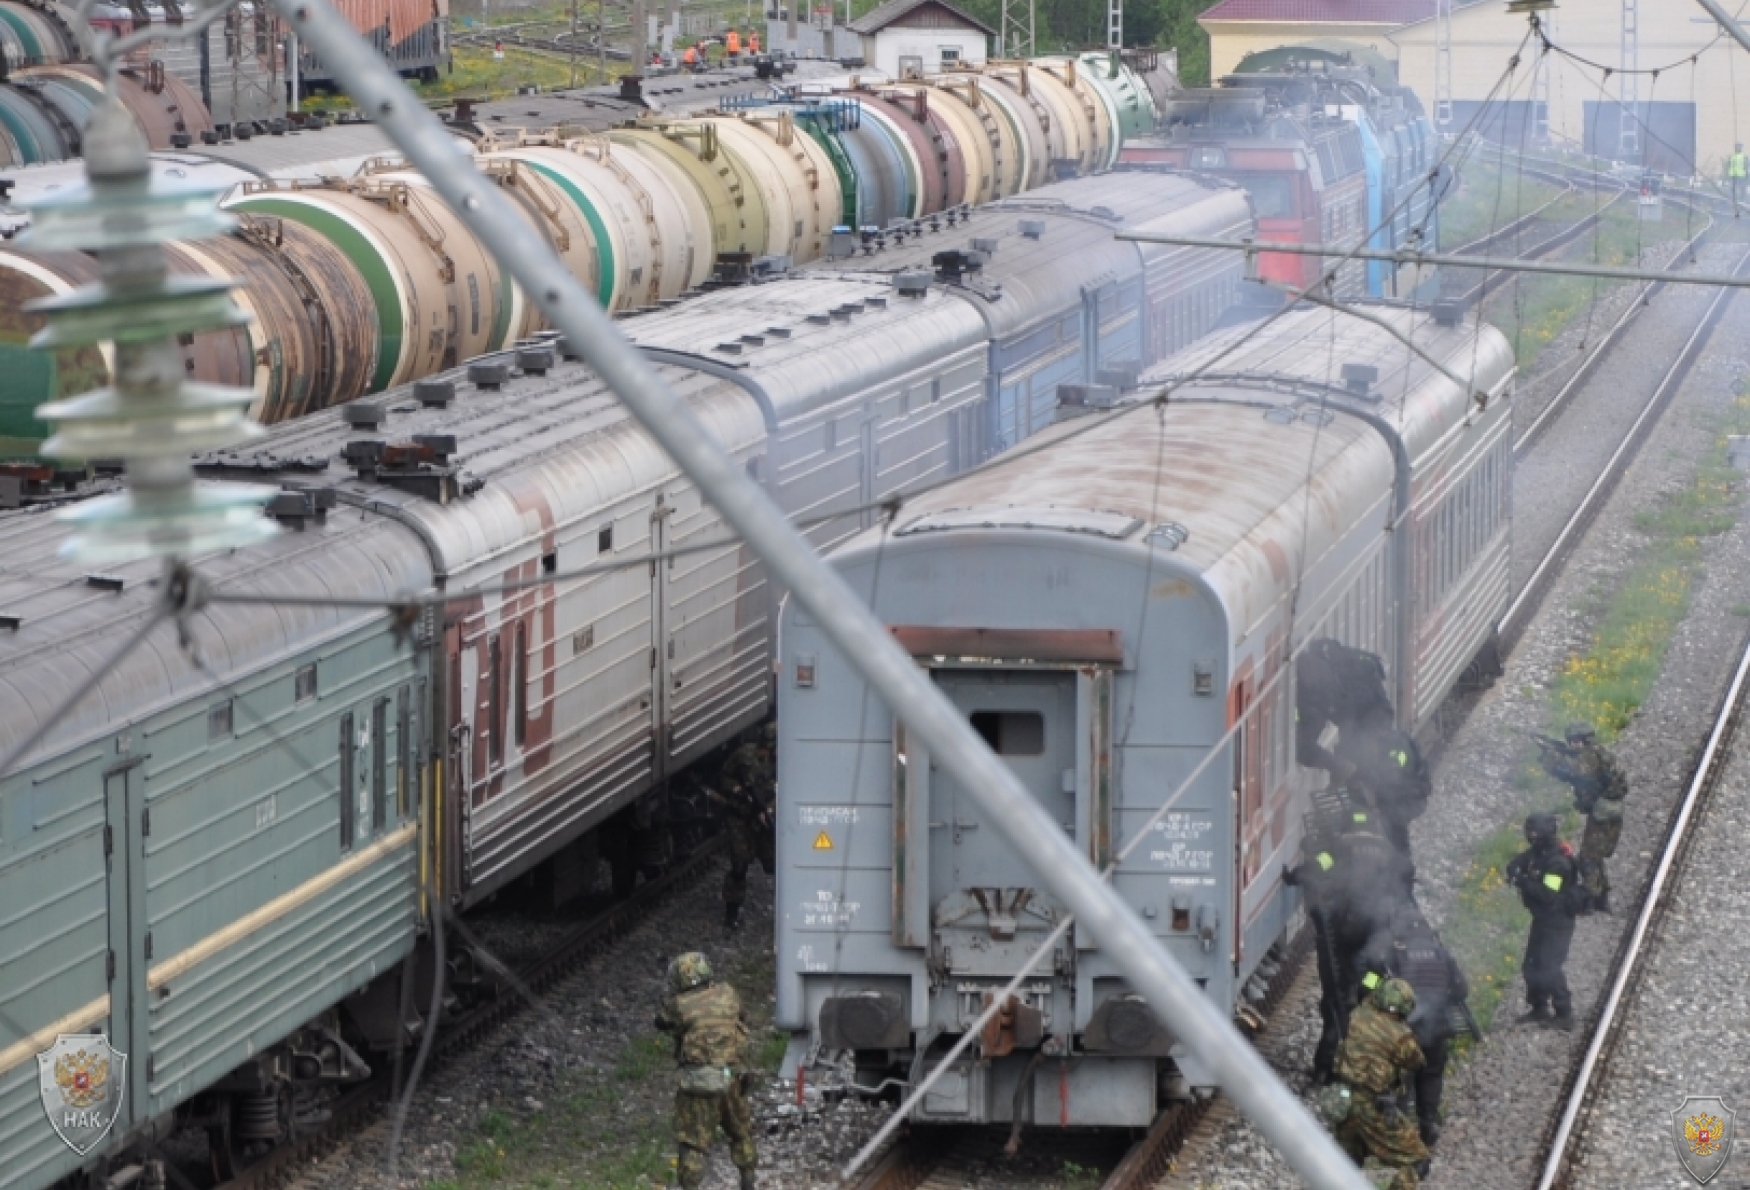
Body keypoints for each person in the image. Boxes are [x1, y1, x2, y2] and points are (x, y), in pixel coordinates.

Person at [1358, 905, 1472, 1149]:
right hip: (1437, 1029)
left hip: (1405, 1033)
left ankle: (1397, 1134)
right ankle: (1428, 1124)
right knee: (1430, 1076)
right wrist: (1442, 1001)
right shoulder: (1442, 955)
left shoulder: (1391, 958)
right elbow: (1462, 990)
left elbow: (1368, 987)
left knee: (1401, 1080)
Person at [656, 952, 758, 1190]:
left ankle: (690, 1186)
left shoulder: (679, 1005)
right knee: (741, 1133)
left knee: (691, 1143)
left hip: (700, 1082)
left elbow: (661, 1022)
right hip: (733, 1076)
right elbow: (742, 1017)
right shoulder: (728, 993)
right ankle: (748, 1180)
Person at [1330, 976, 1430, 1189]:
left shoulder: (1358, 1014)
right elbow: (1416, 1061)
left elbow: (1368, 987)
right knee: (1418, 1161)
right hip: (1373, 1107)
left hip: (1342, 1101)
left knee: (1344, 1164)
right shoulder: (1399, 1035)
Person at [1535, 723, 1626, 913]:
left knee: (1588, 858)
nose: (1572, 745)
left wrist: (1551, 756)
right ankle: (1602, 899)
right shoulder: (1597, 753)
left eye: (1574, 741)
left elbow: (1574, 771)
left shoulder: (1590, 756)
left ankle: (1590, 900)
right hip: (1608, 810)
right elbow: (1571, 776)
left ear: (1583, 740)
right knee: (1595, 856)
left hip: (1603, 812)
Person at [1505, 813, 1581, 1030]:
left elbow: (1547, 893)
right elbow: (1523, 859)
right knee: (1531, 965)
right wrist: (1514, 867)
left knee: (1549, 966)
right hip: (1542, 919)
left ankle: (1564, 1013)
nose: (1530, 838)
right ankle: (1539, 1007)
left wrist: (1521, 881)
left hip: (1558, 921)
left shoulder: (1558, 864)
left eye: (1534, 834)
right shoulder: (1541, 852)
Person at [1296, 638, 1394, 779]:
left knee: (1354, 753)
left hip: (1358, 710)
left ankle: (1349, 773)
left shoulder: (1349, 686)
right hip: (1351, 708)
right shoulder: (1325, 686)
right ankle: (1347, 772)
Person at [716, 724, 776, 929]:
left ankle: (786, 909)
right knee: (739, 864)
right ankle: (731, 913)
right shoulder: (744, 756)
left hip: (765, 819)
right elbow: (724, 776)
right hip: (740, 817)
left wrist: (769, 809)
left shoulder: (782, 762)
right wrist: (737, 790)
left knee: (774, 864)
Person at [1337, 726, 1431, 858]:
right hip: (1394, 797)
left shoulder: (1396, 751)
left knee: (1394, 829)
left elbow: (1392, 780)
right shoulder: (1380, 745)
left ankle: (1400, 867)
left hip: (1407, 799)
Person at [1730, 143, 1747, 209]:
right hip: (1733, 175)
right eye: (1737, 147)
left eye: (1739, 147)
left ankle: (1742, 202)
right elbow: (1730, 165)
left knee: (1742, 190)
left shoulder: (1744, 156)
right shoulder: (1732, 156)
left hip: (1741, 176)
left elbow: (1746, 166)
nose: (1738, 148)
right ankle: (1733, 202)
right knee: (1733, 190)